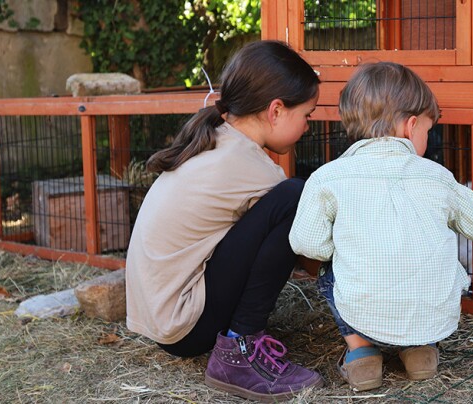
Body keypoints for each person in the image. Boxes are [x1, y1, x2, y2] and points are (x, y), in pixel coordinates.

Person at [288, 62, 473, 391]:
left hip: (363, 309)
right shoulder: (436, 177)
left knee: (331, 270)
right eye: (427, 129)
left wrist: (344, 248)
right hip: (433, 315)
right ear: (410, 127)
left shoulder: (328, 177)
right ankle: (420, 351)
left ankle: (362, 352)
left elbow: (305, 242)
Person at [124, 40, 323, 402]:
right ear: (276, 110)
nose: (308, 126)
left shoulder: (216, 139)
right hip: (185, 326)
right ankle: (239, 351)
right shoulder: (250, 166)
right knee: (294, 197)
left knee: (286, 201)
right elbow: (311, 248)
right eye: (307, 115)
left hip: (164, 324)